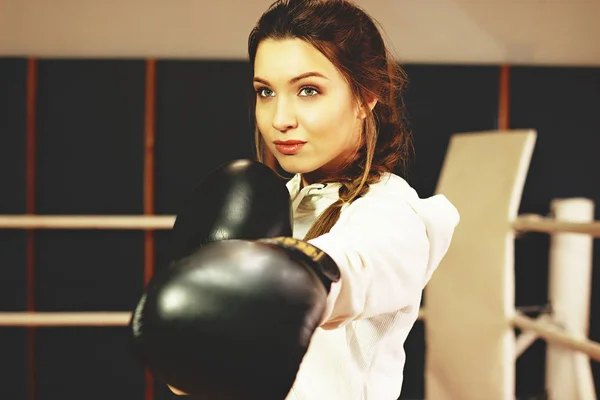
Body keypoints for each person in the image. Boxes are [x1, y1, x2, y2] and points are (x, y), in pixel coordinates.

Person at [135, 0, 459, 398]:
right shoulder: (278, 201)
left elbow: (356, 265)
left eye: (309, 90)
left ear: (366, 96)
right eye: (265, 91)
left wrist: (294, 274)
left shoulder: (390, 213)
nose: (279, 118)